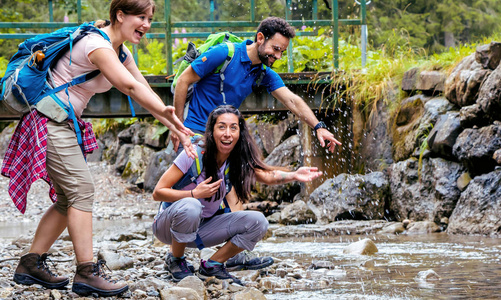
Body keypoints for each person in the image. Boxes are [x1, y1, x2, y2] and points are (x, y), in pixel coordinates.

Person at [1, 0, 195, 297]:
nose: (146, 24)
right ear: (120, 15)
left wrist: (176, 127)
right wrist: (173, 122)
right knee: (82, 190)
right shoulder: (95, 44)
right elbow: (128, 88)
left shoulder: (121, 51)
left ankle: (30, 264)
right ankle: (87, 272)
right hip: (47, 120)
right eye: (140, 17)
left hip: (62, 121)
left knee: (70, 197)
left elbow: (140, 85)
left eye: (150, 18)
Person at [152, 105, 323, 284]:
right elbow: (158, 193)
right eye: (222, 127)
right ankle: (176, 260)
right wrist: (194, 193)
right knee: (192, 205)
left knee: (258, 222)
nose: (228, 133)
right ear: (211, 131)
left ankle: (213, 264)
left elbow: (266, 176)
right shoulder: (193, 154)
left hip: (203, 229)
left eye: (233, 128)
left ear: (240, 133)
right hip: (168, 227)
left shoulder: (235, 159)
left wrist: (294, 175)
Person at [170, 16, 342, 154]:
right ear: (260, 38)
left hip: (223, 138)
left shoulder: (264, 73)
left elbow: (292, 101)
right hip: (194, 133)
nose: (279, 56)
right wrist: (179, 127)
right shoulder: (224, 53)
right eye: (275, 49)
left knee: (221, 194)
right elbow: (183, 81)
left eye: (282, 52)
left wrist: (318, 127)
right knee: (189, 192)